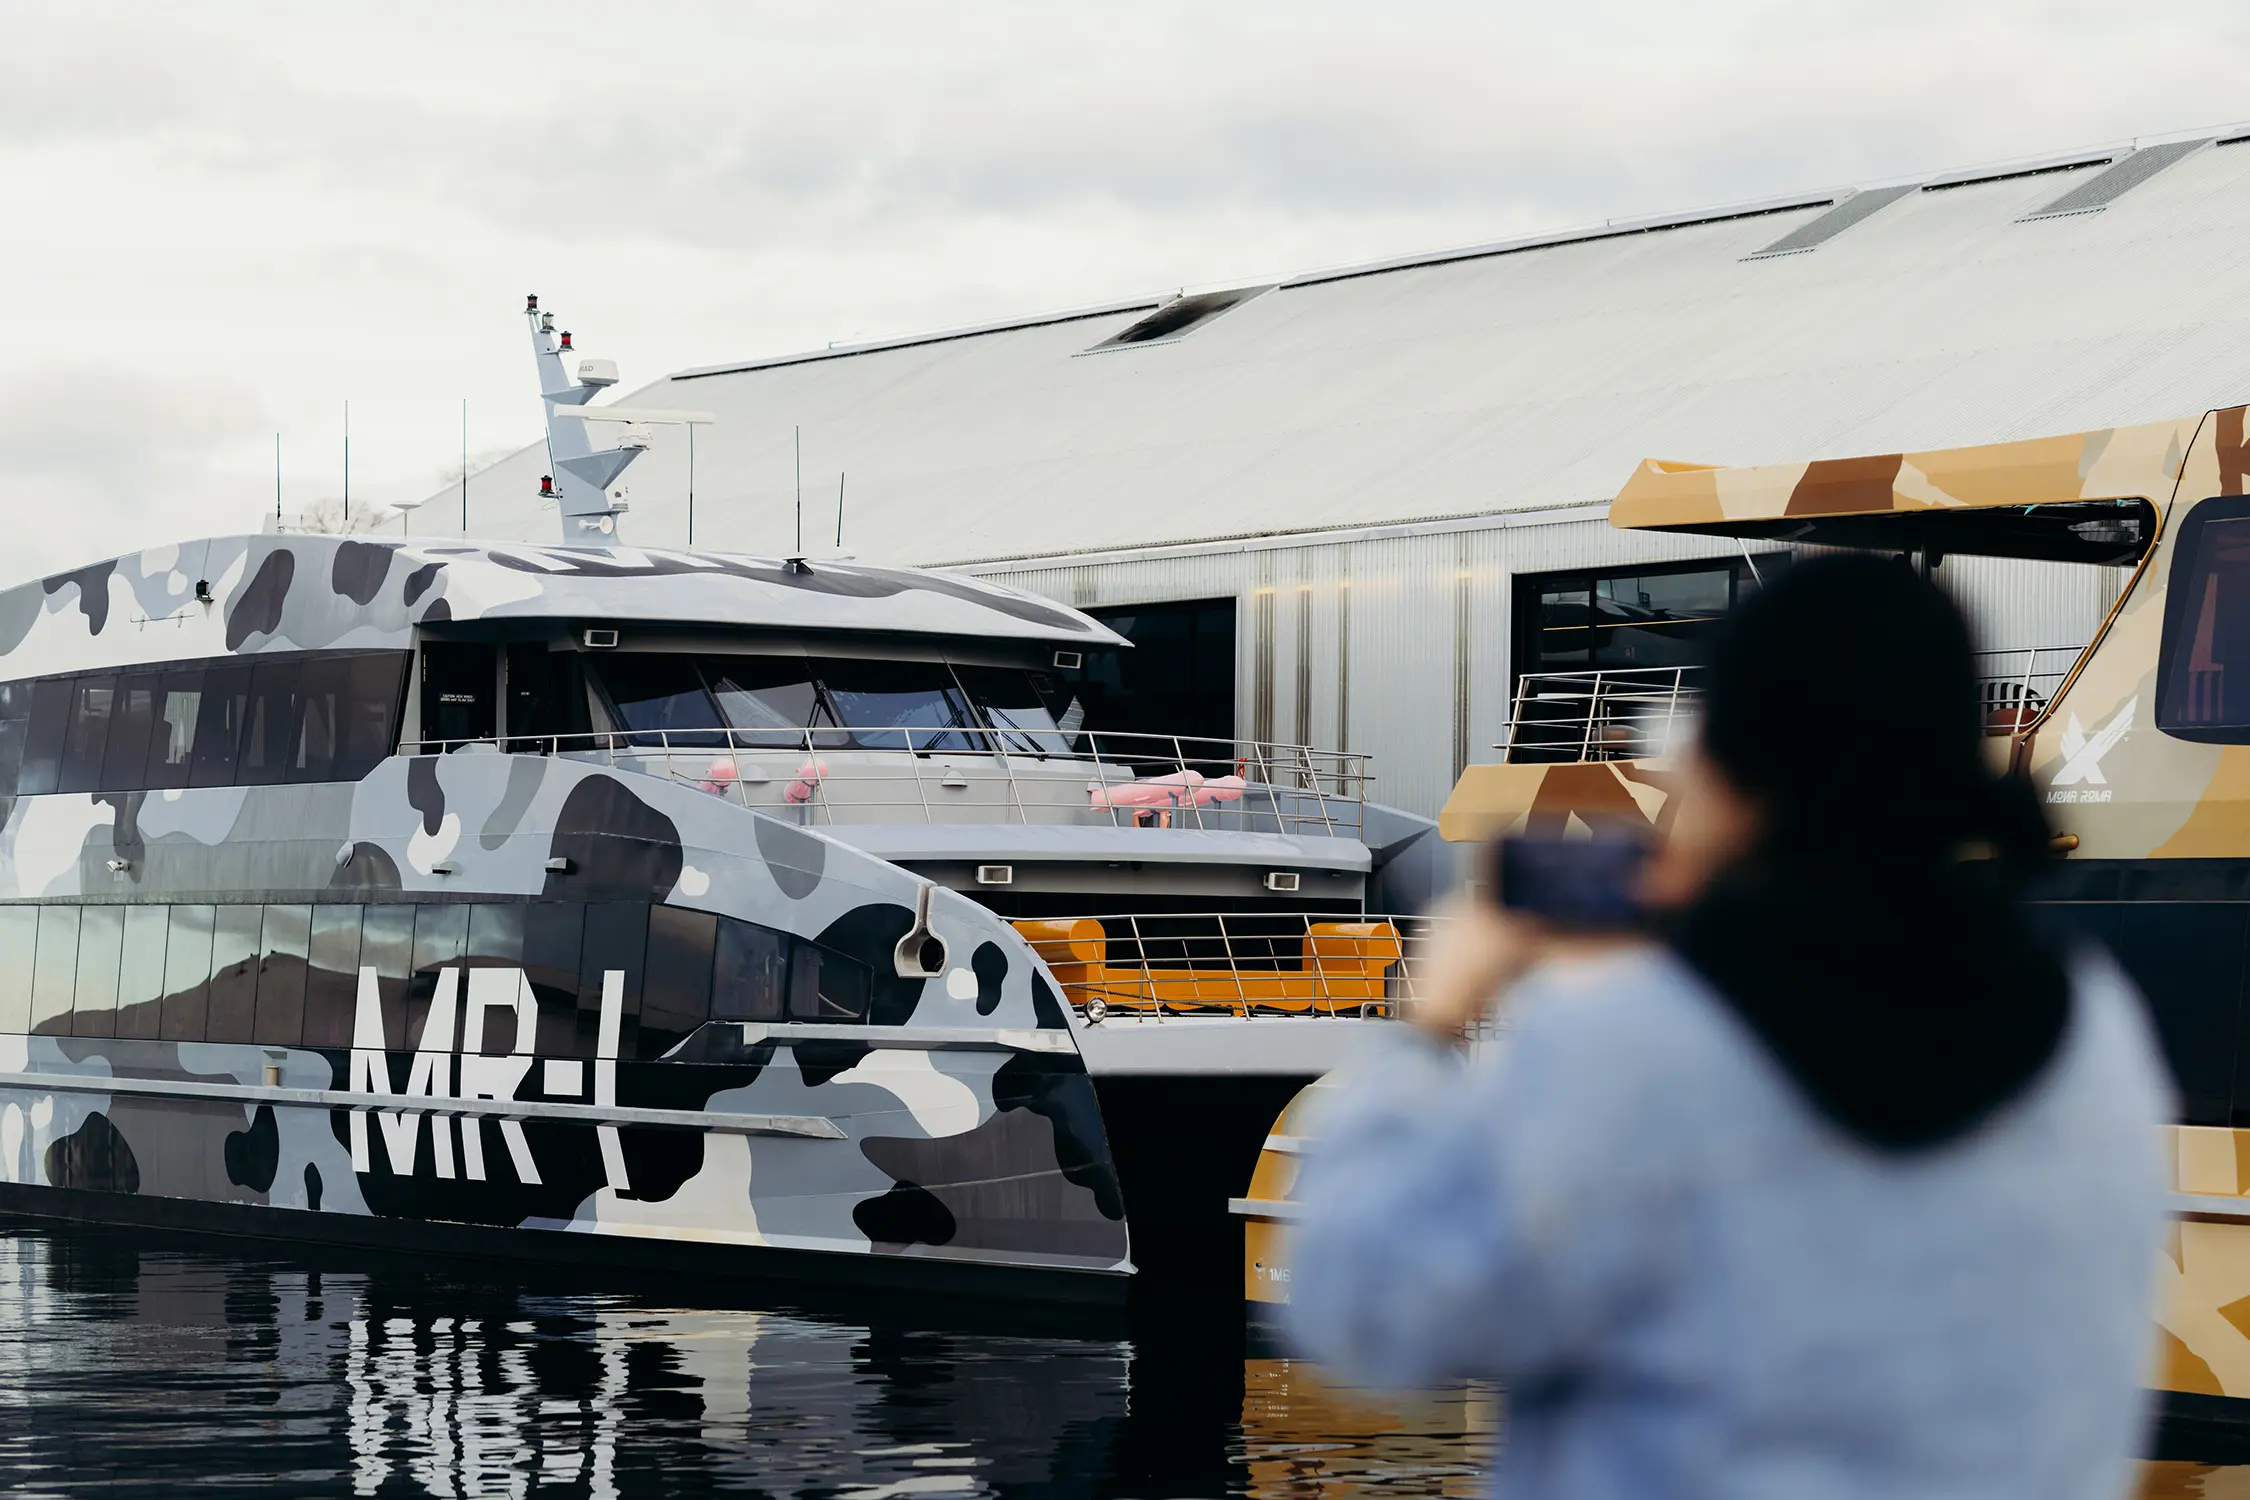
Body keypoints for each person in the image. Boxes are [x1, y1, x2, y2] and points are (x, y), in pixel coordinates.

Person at [1286, 553, 2170, 1500]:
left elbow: (1371, 1311)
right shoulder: (2095, 1024)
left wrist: (1427, 1031)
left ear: (1733, 773)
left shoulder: (1636, 1038)